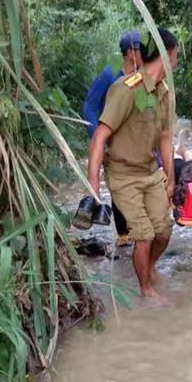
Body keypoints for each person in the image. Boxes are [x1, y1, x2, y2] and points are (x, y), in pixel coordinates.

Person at [85, 29, 178, 299]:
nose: (177, 60)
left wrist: (170, 179)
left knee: (163, 229)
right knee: (144, 234)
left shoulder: (164, 92)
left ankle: (147, 269)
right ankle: (146, 291)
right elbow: (100, 136)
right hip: (123, 174)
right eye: (176, 55)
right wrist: (93, 185)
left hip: (150, 171)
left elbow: (164, 139)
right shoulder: (125, 88)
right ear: (168, 55)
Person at [82, 30, 142, 241]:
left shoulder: (141, 76)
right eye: (140, 49)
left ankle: (138, 229)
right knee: (118, 184)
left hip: (135, 139)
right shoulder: (109, 74)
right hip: (111, 138)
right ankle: (123, 234)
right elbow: (89, 107)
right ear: (129, 53)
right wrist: (98, 137)